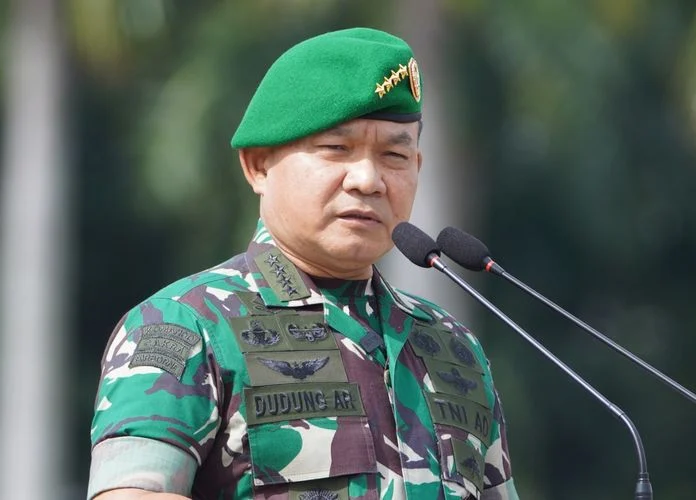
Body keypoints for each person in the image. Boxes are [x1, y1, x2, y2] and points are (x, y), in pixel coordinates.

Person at [88, 27, 520, 500]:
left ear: (417, 166)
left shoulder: (452, 348)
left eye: (394, 155)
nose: (368, 180)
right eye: (336, 149)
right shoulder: (185, 326)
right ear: (258, 165)